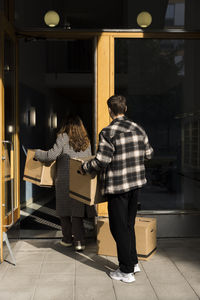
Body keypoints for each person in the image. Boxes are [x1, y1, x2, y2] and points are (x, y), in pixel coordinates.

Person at [80, 95, 153, 283]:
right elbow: (149, 154)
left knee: (118, 228)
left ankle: (126, 271)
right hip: (135, 185)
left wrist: (84, 168)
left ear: (110, 111)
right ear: (125, 109)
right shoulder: (138, 129)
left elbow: (101, 161)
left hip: (118, 187)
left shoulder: (108, 132)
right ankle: (133, 262)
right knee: (128, 225)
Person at [34, 114, 96, 251]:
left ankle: (67, 239)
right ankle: (80, 242)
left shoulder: (62, 138)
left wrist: (37, 153)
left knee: (64, 211)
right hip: (80, 180)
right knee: (77, 211)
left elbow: (51, 155)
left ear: (66, 125)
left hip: (64, 181)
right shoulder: (86, 141)